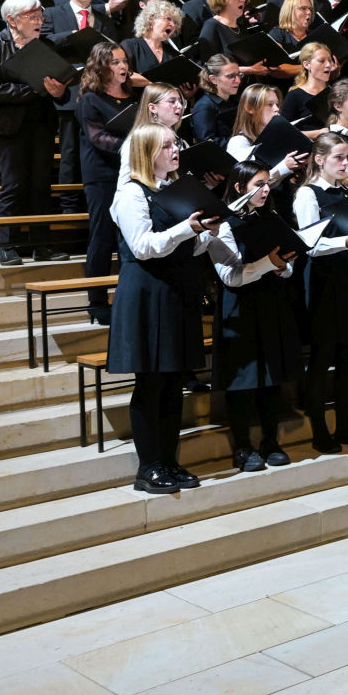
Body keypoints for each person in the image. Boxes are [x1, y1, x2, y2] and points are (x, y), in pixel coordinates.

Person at [108, 126, 216, 494]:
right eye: (167, 146)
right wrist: (187, 228)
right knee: (151, 383)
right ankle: (148, 467)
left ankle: (169, 461)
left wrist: (206, 232)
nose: (175, 151)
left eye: (176, 144)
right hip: (147, 292)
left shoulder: (174, 190)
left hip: (177, 291)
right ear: (147, 153)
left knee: (172, 384)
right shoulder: (131, 193)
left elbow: (190, 247)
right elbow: (142, 246)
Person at [211, 164, 302, 473]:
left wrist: (282, 266)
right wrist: (267, 263)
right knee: (242, 380)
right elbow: (229, 276)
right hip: (239, 307)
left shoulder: (272, 218)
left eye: (268, 184)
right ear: (239, 187)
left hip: (271, 302)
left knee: (271, 377)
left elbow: (288, 266)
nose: (266, 189)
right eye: (259, 184)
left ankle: (271, 441)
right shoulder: (224, 223)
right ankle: (242, 447)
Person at [294, 133, 348, 453]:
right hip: (322, 282)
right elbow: (310, 246)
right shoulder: (307, 194)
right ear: (319, 159)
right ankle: (320, 431)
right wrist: (346, 242)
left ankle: (344, 427)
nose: (346, 164)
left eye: (347, 158)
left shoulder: (344, 190)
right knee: (322, 359)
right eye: (339, 158)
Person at [0, 0, 70, 264]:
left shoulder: (47, 45)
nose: (39, 21)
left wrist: (59, 90)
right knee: (14, 182)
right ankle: (7, 246)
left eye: (41, 16)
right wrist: (33, 89)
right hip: (4, 126)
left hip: (40, 122)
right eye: (32, 17)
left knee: (41, 183)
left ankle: (42, 245)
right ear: (12, 20)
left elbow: (60, 91)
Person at [75, 42, 138, 322]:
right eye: (115, 62)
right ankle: (97, 301)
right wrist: (136, 146)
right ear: (101, 66)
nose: (122, 67)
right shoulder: (91, 99)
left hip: (131, 174)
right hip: (101, 175)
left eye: (124, 61)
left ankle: (127, 299)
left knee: (128, 237)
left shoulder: (134, 97)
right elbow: (98, 138)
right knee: (102, 238)